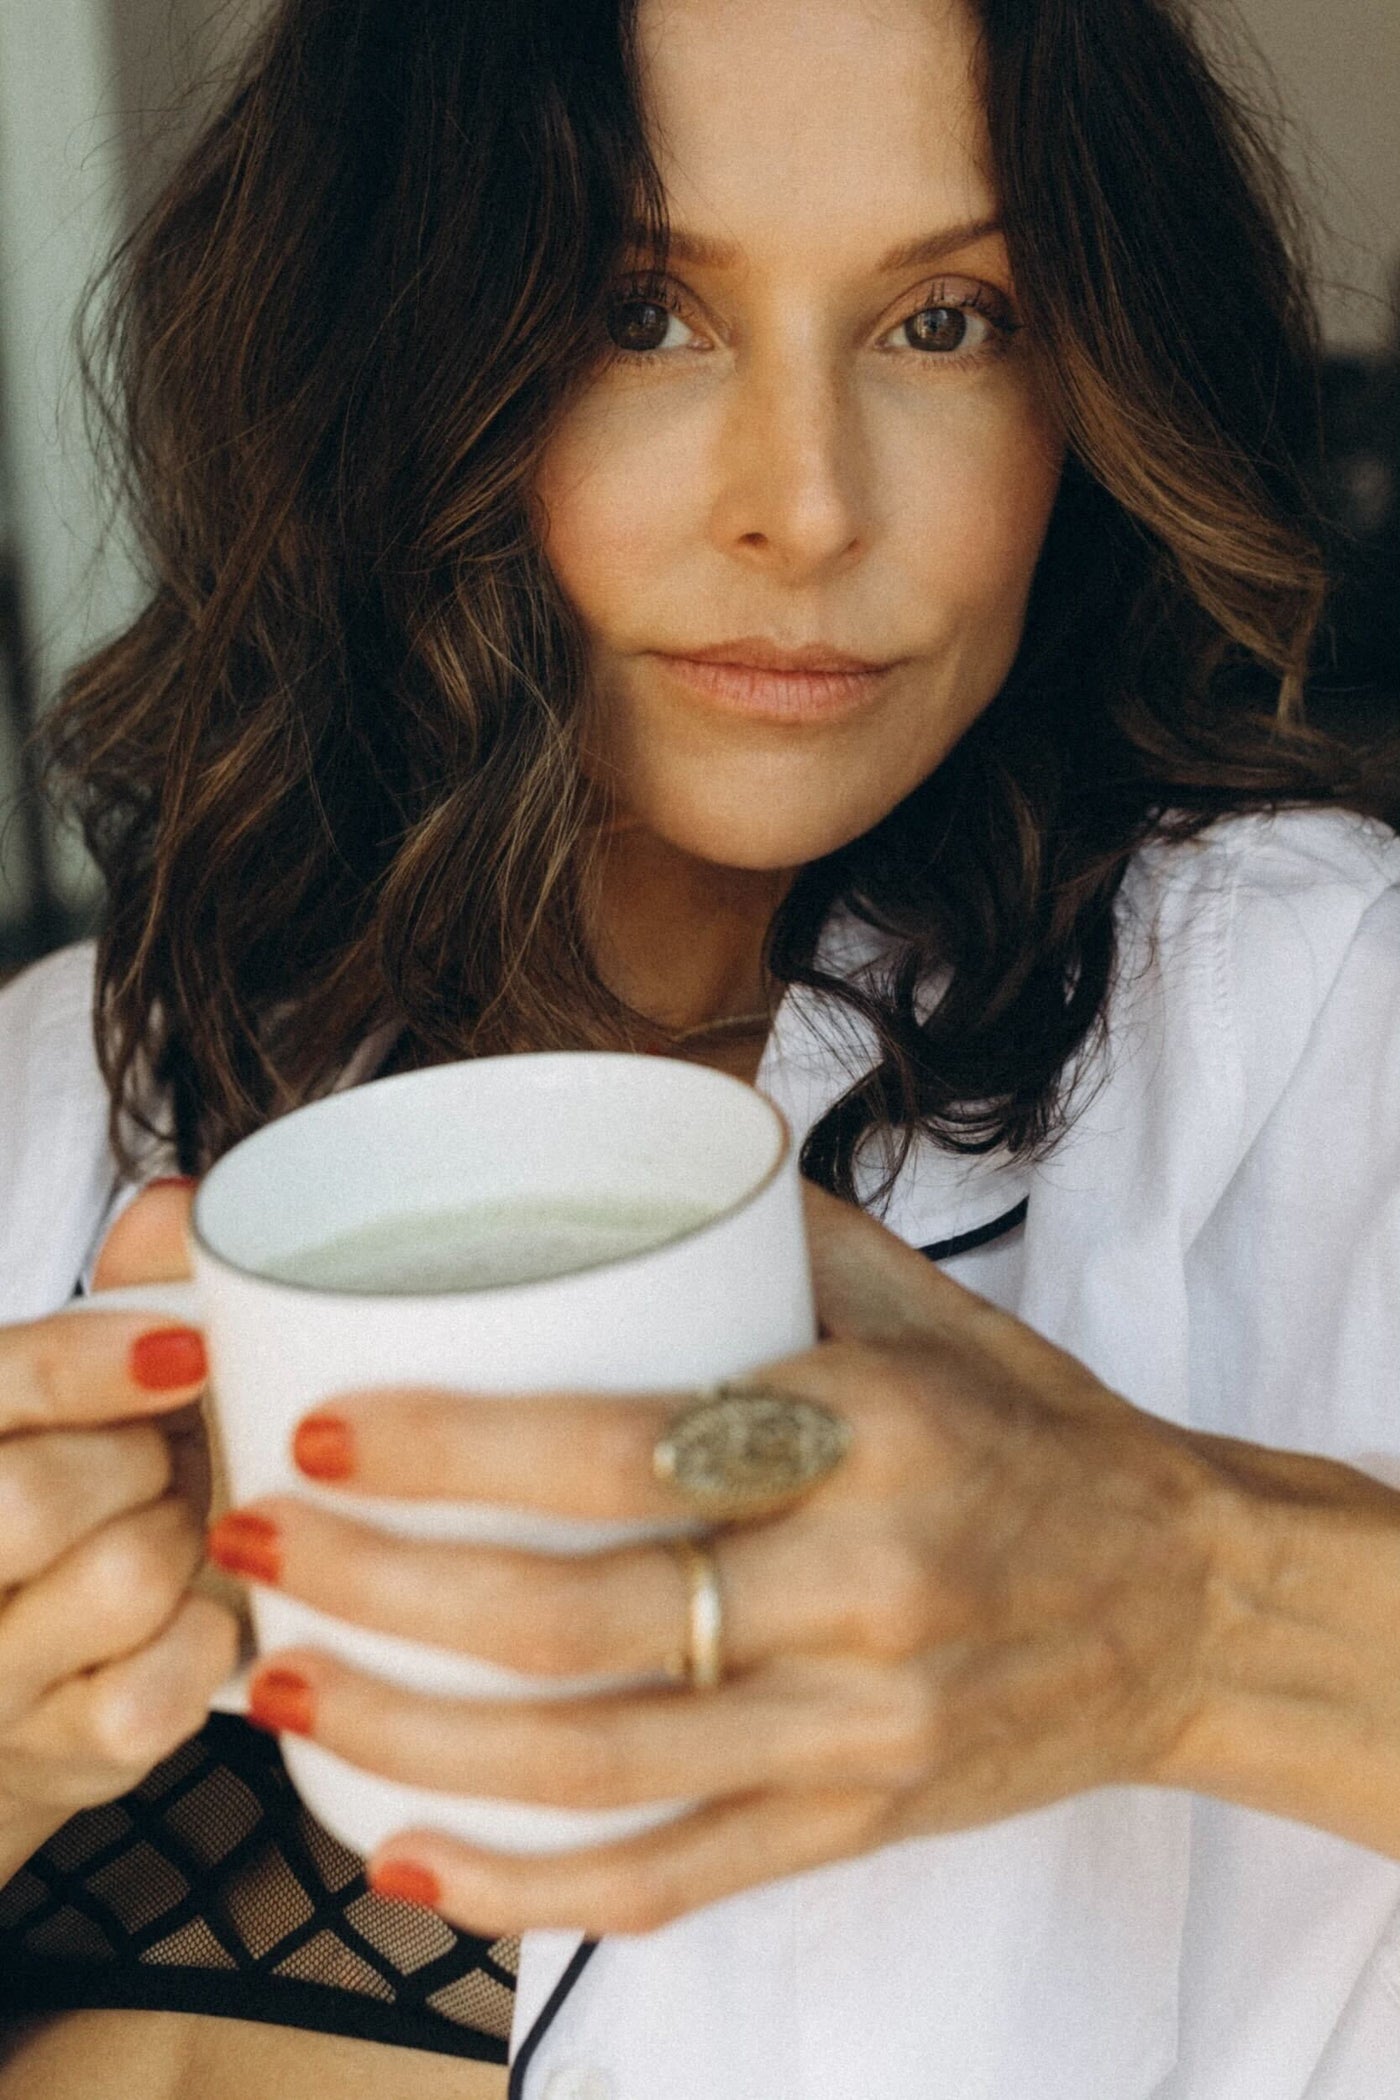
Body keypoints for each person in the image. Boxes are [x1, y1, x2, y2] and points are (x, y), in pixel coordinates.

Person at [2, 0, 1400, 2092]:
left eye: (948, 320)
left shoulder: (1313, 1008)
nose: (806, 506)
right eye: (640, 306)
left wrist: (1202, 1614)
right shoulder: (50, 1091)